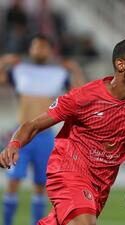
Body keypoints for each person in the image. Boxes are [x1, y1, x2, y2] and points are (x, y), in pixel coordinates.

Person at [0, 37, 125, 225]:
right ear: (121, 64)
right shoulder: (84, 97)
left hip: (100, 183)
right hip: (68, 170)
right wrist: (14, 144)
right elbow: (33, 124)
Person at [0, 34, 85, 225]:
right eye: (34, 46)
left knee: (41, 185)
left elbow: (80, 93)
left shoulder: (58, 73)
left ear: (49, 50)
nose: (37, 50)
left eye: (42, 47)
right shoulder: (20, 70)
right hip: (20, 135)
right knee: (12, 183)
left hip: (44, 136)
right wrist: (4, 61)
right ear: (30, 49)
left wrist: (75, 69)